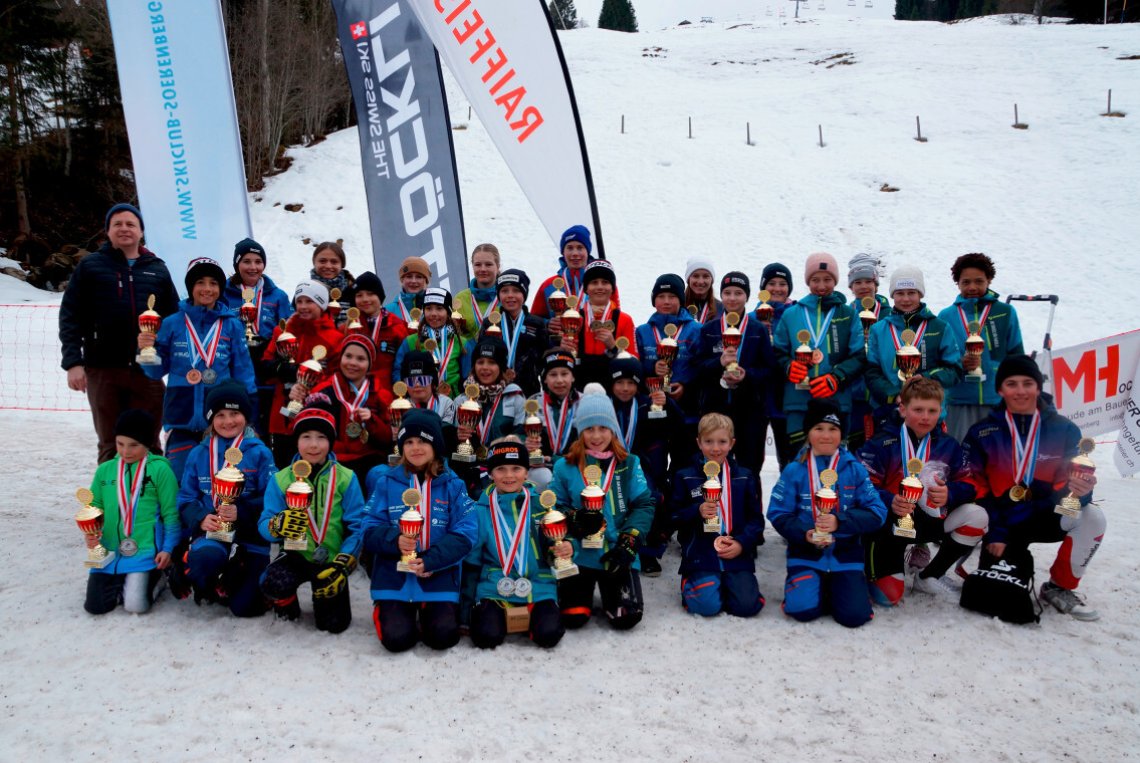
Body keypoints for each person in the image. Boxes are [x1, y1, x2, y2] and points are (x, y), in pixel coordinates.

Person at [961, 356, 1104, 621]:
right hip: (997, 521)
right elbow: (975, 486)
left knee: (1093, 517)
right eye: (1011, 384)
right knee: (996, 596)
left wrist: (1082, 492)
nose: (1020, 391)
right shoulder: (983, 431)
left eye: (1028, 383)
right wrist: (999, 529)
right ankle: (962, 560)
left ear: (1038, 387)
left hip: (1039, 515)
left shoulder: (1064, 429)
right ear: (1000, 389)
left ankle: (1059, 587)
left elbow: (1070, 485)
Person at [60, 203, 179, 463]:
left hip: (147, 370)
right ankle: (112, 502)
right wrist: (73, 363)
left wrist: (174, 358)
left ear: (140, 231)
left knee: (149, 440)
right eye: (118, 224)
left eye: (130, 224)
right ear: (108, 231)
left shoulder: (157, 268)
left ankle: (151, 500)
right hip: (103, 369)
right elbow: (70, 317)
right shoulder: (90, 267)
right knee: (111, 442)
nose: (124, 229)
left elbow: (174, 319)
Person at [858, 378, 986, 606]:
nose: (925, 416)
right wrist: (890, 500)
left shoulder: (948, 445)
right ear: (903, 409)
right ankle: (873, 560)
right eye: (918, 410)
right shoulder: (881, 442)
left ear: (941, 411)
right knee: (888, 598)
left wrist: (950, 493)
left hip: (929, 521)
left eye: (932, 410)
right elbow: (862, 485)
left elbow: (970, 483)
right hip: (891, 525)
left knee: (977, 516)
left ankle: (930, 575)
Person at [361, 409, 478, 651]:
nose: (416, 447)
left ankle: (427, 609)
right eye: (409, 442)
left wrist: (431, 561)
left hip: (437, 575)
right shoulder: (386, 482)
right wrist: (395, 540)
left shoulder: (453, 484)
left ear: (436, 445)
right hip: (394, 576)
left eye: (423, 441)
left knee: (442, 638)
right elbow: (368, 527)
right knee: (396, 640)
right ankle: (389, 608)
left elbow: (466, 532)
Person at [767, 399, 887, 627]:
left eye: (833, 429)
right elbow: (777, 512)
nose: (826, 435)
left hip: (845, 555)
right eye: (818, 428)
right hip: (806, 553)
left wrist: (839, 522)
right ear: (808, 433)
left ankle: (840, 586)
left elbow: (877, 512)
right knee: (802, 611)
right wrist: (805, 533)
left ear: (842, 434)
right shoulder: (795, 470)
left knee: (854, 617)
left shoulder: (855, 469)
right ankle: (814, 586)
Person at [140, 257, 258, 481]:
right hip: (181, 417)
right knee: (179, 479)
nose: (207, 289)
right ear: (191, 287)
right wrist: (147, 352)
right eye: (200, 282)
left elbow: (244, 372)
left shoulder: (231, 324)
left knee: (217, 480)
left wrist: (249, 414)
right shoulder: (173, 323)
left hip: (221, 420)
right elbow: (156, 371)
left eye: (213, 283)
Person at [550, 384, 655, 630]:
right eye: (589, 429)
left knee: (626, 617)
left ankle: (614, 588)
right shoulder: (565, 466)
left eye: (603, 428)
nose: (596, 436)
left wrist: (630, 541)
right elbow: (555, 506)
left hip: (617, 552)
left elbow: (643, 504)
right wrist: (575, 517)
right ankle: (580, 589)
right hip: (580, 552)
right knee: (573, 617)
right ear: (580, 431)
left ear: (613, 430)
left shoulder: (629, 463)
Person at [258, 401, 365, 633]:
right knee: (273, 582)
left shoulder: (346, 478)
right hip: (296, 555)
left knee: (334, 625)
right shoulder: (282, 479)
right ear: (296, 440)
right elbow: (263, 524)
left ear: (331, 441)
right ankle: (287, 604)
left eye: (321, 437)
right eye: (306, 436)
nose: (314, 445)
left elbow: (357, 526)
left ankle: (327, 597)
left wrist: (344, 561)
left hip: (331, 561)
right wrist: (277, 525)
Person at [175, 383, 276, 616]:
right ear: (211, 419)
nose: (228, 421)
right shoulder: (199, 453)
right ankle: (196, 569)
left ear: (246, 417)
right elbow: (186, 498)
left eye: (235, 414)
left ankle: (236, 577)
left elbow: (272, 498)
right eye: (220, 415)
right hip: (213, 533)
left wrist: (242, 511)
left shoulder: (260, 452)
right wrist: (200, 518)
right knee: (206, 562)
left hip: (250, 536)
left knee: (245, 608)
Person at [467, 439, 569, 649]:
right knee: (485, 637)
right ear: (491, 474)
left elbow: (560, 541)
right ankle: (499, 615)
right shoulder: (480, 510)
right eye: (501, 469)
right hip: (495, 586)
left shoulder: (543, 506)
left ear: (526, 472)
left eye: (516, 468)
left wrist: (567, 549)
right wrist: (465, 606)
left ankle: (534, 614)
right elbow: (472, 561)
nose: (509, 475)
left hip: (538, 585)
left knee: (549, 635)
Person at [80, 409, 180, 615]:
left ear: (148, 443)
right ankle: (121, 581)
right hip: (109, 551)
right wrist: (92, 532)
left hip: (145, 552)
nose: (126, 451)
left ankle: (158, 579)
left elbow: (171, 514)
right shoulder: (105, 470)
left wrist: (168, 549)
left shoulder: (160, 470)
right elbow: (94, 506)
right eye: (120, 444)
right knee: (95, 606)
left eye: (134, 445)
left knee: (136, 606)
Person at [671, 413, 766, 618]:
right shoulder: (685, 476)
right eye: (708, 441)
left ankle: (729, 583)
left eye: (722, 441)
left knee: (746, 607)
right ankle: (696, 582)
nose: (715, 448)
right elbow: (673, 516)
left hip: (735, 551)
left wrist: (741, 543)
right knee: (706, 607)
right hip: (701, 554)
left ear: (732, 443)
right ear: (698, 442)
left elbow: (756, 520)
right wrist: (696, 511)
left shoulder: (744, 476)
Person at [772, 252, 866, 452]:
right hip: (798, 401)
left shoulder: (848, 314)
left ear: (836, 281)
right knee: (798, 461)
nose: (821, 286)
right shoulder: (791, 314)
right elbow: (778, 351)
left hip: (837, 400)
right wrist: (789, 366)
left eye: (827, 280)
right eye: (815, 280)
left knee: (833, 464)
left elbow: (858, 356)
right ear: (807, 281)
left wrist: (836, 377)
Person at [937, 253, 1025, 442]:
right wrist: (959, 363)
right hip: (958, 402)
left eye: (979, 281)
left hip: (996, 400)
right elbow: (939, 360)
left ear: (989, 280)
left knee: (993, 458)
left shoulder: (1004, 312)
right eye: (966, 282)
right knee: (961, 458)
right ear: (957, 283)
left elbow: (1016, 358)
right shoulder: (946, 316)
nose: (972, 287)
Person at [695, 271, 776, 474]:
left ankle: (750, 507)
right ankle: (716, 505)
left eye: (738, 293)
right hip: (716, 409)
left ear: (747, 297)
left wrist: (746, 375)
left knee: (750, 470)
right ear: (721, 296)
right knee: (713, 468)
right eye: (727, 293)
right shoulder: (709, 329)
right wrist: (718, 363)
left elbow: (769, 369)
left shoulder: (757, 330)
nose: (732, 298)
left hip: (750, 411)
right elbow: (698, 368)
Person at [607, 351, 680, 576]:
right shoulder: (604, 406)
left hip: (640, 467)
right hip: (607, 466)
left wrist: (668, 404)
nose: (625, 388)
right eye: (619, 382)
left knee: (650, 497)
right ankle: (608, 546)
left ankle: (648, 553)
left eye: (631, 383)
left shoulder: (648, 404)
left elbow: (677, 425)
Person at [260, 281, 343, 467]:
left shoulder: (335, 338)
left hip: (317, 413)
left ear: (321, 304)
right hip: (283, 414)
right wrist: (289, 371)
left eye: (309, 301)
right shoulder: (282, 332)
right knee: (284, 469)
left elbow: (338, 377)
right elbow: (265, 367)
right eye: (299, 301)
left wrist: (311, 389)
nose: (303, 307)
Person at [864, 266, 962, 423]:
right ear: (892, 295)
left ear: (920, 294)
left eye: (912, 293)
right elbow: (872, 372)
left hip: (928, 414)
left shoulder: (939, 327)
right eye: (900, 293)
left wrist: (925, 379)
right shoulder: (878, 329)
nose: (906, 299)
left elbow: (954, 370)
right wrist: (894, 394)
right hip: (889, 412)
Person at [223, 238, 293, 438]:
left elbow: (286, 333)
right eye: (246, 261)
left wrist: (270, 352)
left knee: (273, 427)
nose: (253, 267)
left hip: (268, 370)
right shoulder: (225, 294)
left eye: (258, 261)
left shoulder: (277, 296)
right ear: (237, 264)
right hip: (237, 370)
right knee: (247, 429)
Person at [309, 335, 393, 484]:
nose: (353, 363)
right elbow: (311, 430)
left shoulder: (381, 395)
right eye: (348, 356)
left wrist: (373, 421)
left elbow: (387, 439)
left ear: (370, 364)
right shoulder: (323, 391)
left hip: (369, 461)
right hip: (332, 459)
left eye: (361, 359)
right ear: (341, 358)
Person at [634, 273, 702, 452]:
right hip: (654, 409)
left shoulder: (696, 330)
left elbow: (702, 366)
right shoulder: (642, 331)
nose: (666, 301)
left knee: (683, 463)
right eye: (661, 296)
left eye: (672, 296)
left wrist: (686, 386)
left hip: (687, 411)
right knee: (655, 464)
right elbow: (635, 367)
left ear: (681, 299)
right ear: (653, 300)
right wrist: (651, 368)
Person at [560, 259, 637, 390]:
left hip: (613, 390)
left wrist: (613, 347)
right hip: (579, 389)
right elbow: (563, 363)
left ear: (612, 288)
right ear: (586, 288)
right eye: (594, 282)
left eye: (605, 282)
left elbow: (635, 365)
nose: (600, 287)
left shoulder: (624, 320)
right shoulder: (573, 318)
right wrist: (562, 350)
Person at [472, 269, 549, 397]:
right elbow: (481, 357)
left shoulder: (537, 324)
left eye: (516, 290)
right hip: (495, 390)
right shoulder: (490, 323)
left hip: (529, 390)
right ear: (498, 295)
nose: (510, 295)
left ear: (524, 294)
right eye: (504, 291)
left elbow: (544, 359)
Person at [756, 262, 797, 470]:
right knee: (752, 461)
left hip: (788, 398)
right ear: (763, 287)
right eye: (771, 283)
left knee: (789, 461)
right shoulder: (752, 318)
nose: (777, 288)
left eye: (782, 283)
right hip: (758, 399)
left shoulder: (797, 315)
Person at [846, 253, 888, 451]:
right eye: (858, 282)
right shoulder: (844, 314)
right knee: (856, 448)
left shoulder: (891, 313)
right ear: (850, 287)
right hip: (854, 394)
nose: (863, 286)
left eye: (868, 281)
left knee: (882, 448)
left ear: (876, 284)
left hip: (883, 392)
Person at [530, 225, 619, 320]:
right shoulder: (548, 285)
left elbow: (616, 319)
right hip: (559, 335)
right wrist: (547, 325)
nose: (575, 253)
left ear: (587, 251)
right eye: (570, 248)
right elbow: (532, 322)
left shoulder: (605, 284)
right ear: (563, 252)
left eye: (580, 247)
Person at [522, 349, 581, 491]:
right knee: (542, 479)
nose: (559, 380)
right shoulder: (534, 402)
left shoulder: (584, 402)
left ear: (573, 377)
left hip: (577, 465)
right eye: (553, 375)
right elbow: (521, 434)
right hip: (542, 468)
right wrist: (526, 444)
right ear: (545, 379)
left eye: (565, 374)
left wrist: (557, 460)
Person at [394, 287, 465, 394]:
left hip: (453, 400)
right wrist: (407, 394)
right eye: (428, 308)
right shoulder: (410, 341)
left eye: (439, 308)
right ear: (423, 311)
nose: (433, 313)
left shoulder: (461, 342)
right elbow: (398, 372)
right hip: (420, 401)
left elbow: (468, 374)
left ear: (448, 312)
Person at [346, 270, 409, 388]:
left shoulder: (397, 327)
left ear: (380, 296)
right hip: (354, 393)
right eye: (359, 295)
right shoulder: (347, 328)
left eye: (370, 294)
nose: (365, 299)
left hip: (387, 395)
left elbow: (403, 365)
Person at [453, 243, 501, 345]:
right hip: (468, 357)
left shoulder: (506, 297)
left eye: (488, 264)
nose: (483, 269)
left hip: (500, 357)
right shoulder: (461, 298)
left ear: (498, 266)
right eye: (478, 264)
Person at [309, 241, 354, 323]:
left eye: (334, 262)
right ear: (314, 262)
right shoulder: (305, 290)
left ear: (342, 265)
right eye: (322, 261)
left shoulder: (353, 291)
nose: (328, 266)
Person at [384, 256, 431, 322]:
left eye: (419, 277)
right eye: (409, 276)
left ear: (426, 281)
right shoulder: (388, 311)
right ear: (402, 280)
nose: (413, 281)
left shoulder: (435, 309)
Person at [684, 258, 721, 324]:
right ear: (688, 279)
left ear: (711, 280)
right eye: (695, 276)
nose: (700, 281)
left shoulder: (721, 308)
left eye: (706, 276)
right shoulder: (678, 307)